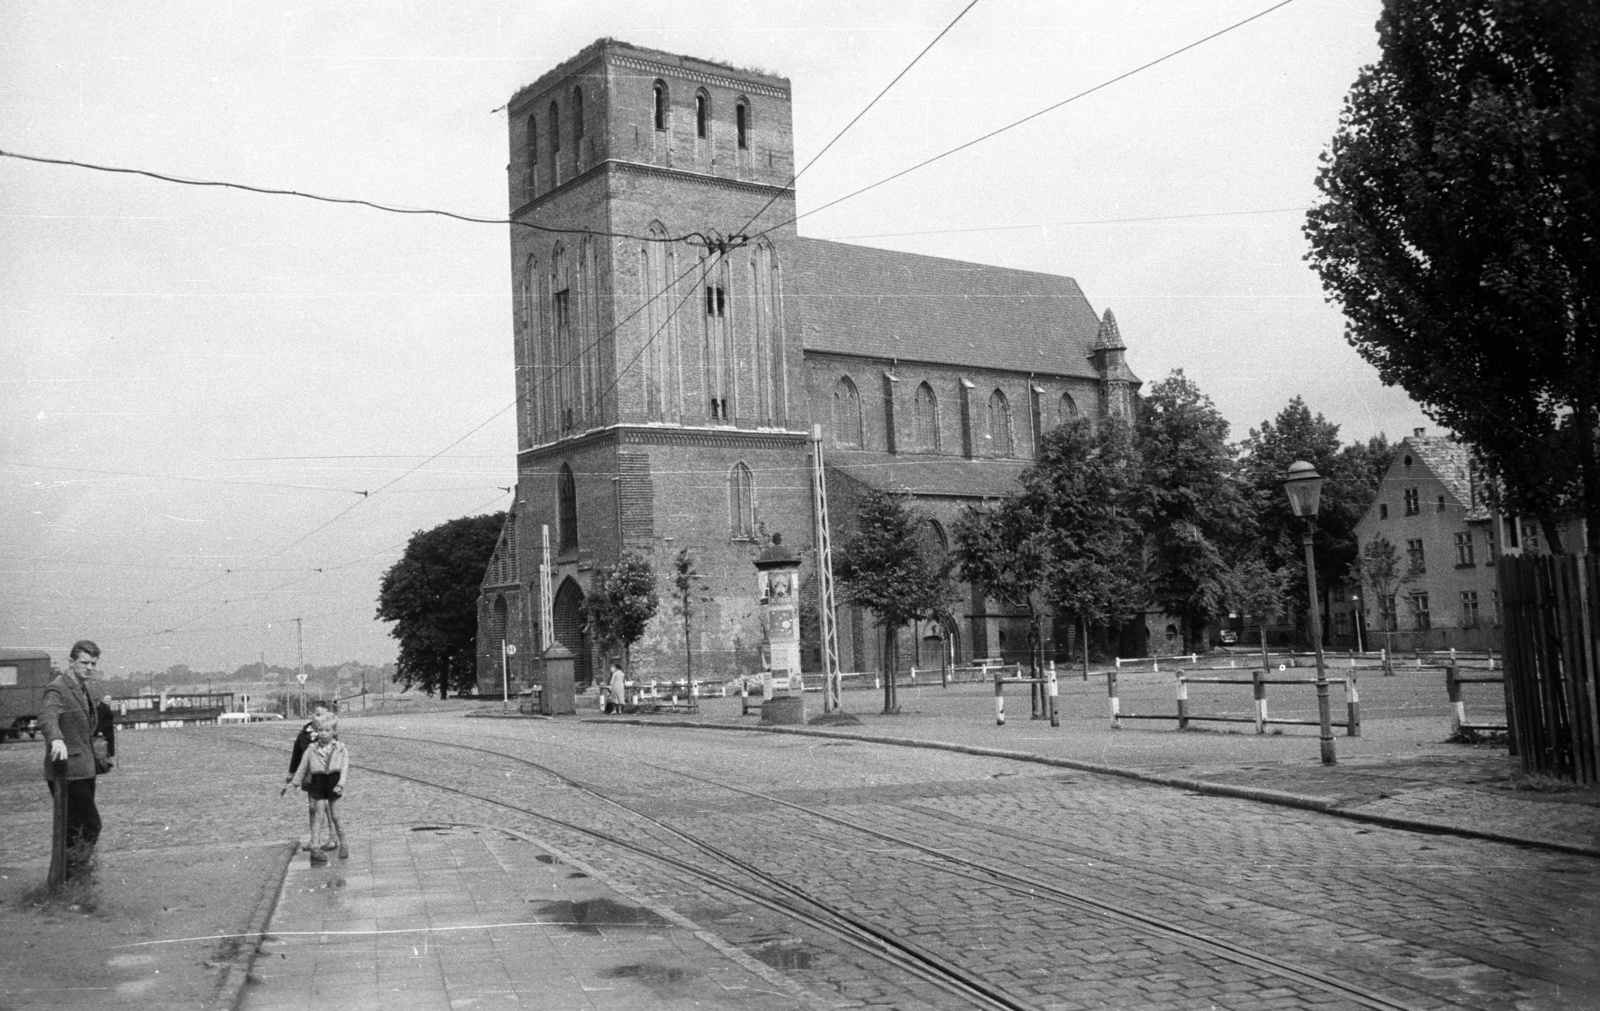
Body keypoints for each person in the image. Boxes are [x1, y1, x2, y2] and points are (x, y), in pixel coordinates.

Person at [41, 639, 115, 880]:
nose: (90, 667)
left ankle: (67, 879)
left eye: (93, 663)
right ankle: (73, 877)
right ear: (71, 662)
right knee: (90, 825)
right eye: (84, 662)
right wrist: (56, 739)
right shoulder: (58, 688)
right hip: (68, 772)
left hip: (84, 770)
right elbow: (48, 716)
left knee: (77, 829)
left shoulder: (83, 690)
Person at [289, 714, 348, 863]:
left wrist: (341, 784)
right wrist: (296, 781)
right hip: (318, 782)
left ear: (334, 731)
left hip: (334, 783)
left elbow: (344, 768)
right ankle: (315, 847)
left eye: (327, 730)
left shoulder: (341, 749)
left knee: (336, 816)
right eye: (320, 730)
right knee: (318, 815)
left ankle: (344, 843)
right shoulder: (311, 749)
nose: (323, 733)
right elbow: (303, 767)